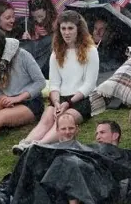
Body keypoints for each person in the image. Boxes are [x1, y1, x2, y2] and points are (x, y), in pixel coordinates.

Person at [13, 10, 99, 152]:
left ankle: (38, 146)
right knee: (46, 119)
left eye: (70, 28)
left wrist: (68, 103)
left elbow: (89, 85)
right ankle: (25, 143)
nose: (67, 33)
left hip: (80, 99)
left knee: (62, 121)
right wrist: (57, 102)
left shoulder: (91, 51)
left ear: (78, 29)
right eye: (63, 28)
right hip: (59, 98)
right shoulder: (56, 52)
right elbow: (54, 83)